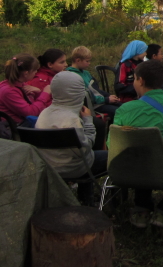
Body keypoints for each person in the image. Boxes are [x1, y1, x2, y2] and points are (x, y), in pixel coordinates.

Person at [110, 59, 163, 228]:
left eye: (134, 79)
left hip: (128, 172)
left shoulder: (124, 109)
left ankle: (141, 209)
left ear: (141, 81)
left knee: (140, 153)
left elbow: (112, 144)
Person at [35, 71, 108, 204]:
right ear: (78, 93)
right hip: (74, 169)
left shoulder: (44, 113)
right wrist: (88, 120)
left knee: (88, 157)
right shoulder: (71, 120)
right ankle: (89, 201)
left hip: (50, 167)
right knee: (112, 156)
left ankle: (85, 198)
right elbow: (85, 150)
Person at [67, 46, 121, 118]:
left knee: (124, 107)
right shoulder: (73, 76)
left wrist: (108, 96)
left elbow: (96, 90)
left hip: (100, 101)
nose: (89, 63)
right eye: (87, 61)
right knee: (118, 111)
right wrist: (107, 100)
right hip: (92, 106)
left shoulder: (86, 73)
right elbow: (88, 97)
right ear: (78, 60)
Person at [0, 54, 52, 126]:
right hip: (16, 129)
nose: (36, 72)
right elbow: (30, 113)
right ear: (26, 73)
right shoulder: (9, 91)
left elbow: (32, 103)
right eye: (35, 70)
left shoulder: (21, 84)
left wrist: (38, 93)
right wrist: (45, 93)